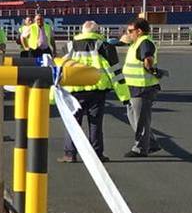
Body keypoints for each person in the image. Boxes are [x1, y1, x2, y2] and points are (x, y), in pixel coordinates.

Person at [58, 20, 121, 162]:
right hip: (97, 90)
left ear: (82, 31)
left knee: (73, 123)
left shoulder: (69, 46)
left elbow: (61, 66)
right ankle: (97, 154)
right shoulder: (104, 46)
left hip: (74, 90)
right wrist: (124, 95)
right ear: (97, 32)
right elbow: (116, 71)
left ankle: (69, 154)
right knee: (95, 124)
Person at [120, 18, 164, 157]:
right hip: (134, 86)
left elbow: (148, 58)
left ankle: (140, 148)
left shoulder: (144, 42)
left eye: (131, 31)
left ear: (139, 31)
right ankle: (151, 143)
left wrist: (150, 68)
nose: (129, 33)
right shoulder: (137, 42)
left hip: (143, 87)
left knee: (140, 120)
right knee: (134, 117)